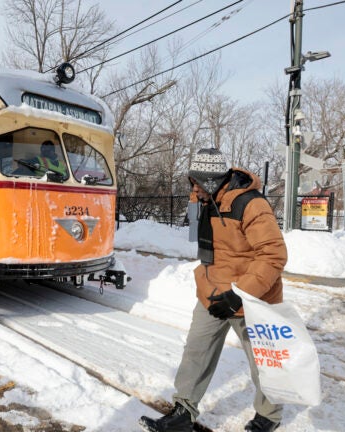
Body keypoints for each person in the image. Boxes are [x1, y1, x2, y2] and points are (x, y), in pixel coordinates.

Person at [139, 148, 288, 432]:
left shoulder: (251, 204)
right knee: (196, 350)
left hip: (253, 296)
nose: (193, 187)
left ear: (213, 181)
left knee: (264, 362)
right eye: (192, 180)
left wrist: (239, 295)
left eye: (198, 181)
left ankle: (268, 417)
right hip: (213, 288)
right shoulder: (203, 198)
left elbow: (273, 255)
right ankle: (183, 411)